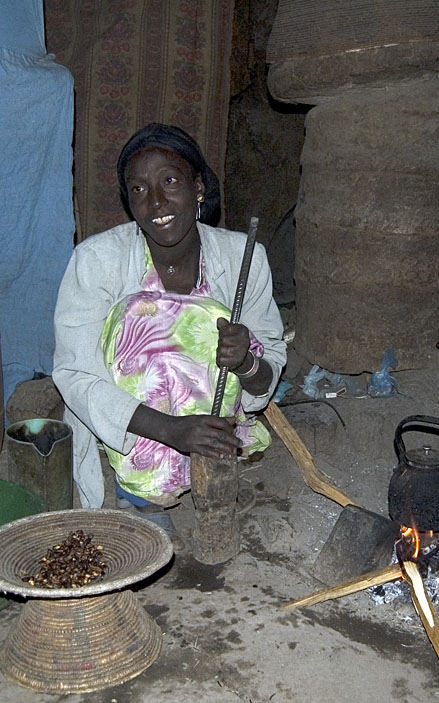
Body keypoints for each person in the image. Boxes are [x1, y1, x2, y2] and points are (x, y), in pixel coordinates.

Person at [53, 123, 286, 549]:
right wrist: (171, 430)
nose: (156, 201)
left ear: (199, 188)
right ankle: (140, 493)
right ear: (129, 201)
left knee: (211, 322)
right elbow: (74, 372)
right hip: (139, 426)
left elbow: (267, 373)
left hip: (214, 417)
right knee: (143, 315)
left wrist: (246, 361)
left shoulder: (242, 257)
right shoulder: (96, 260)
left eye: (171, 181)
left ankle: (203, 469)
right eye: (139, 189)